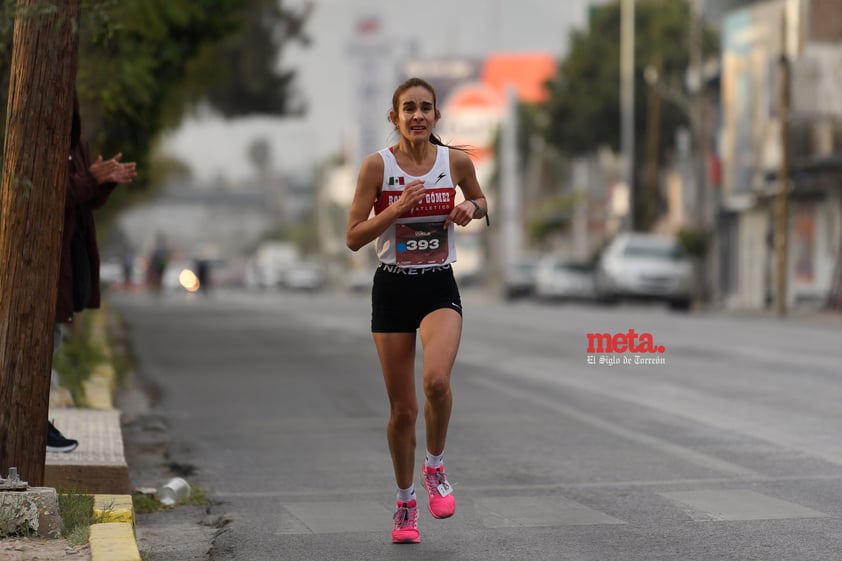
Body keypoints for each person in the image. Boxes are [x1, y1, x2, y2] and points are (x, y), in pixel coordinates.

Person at [346, 77, 489, 544]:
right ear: (395, 118)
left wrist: (470, 206)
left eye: (426, 107)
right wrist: (396, 209)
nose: (418, 115)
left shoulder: (456, 162)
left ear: (436, 116)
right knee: (403, 410)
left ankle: (434, 466)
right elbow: (353, 237)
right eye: (409, 108)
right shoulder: (376, 167)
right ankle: (405, 503)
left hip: (437, 285)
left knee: (437, 382)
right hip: (391, 289)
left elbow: (483, 200)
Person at [49, 90, 137, 453]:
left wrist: (104, 181)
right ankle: (31, 425)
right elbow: (49, 193)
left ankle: (36, 422)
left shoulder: (78, 143)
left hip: (69, 257)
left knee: (49, 343)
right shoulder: (40, 139)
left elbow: (82, 196)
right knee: (39, 343)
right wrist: (90, 178)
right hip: (39, 260)